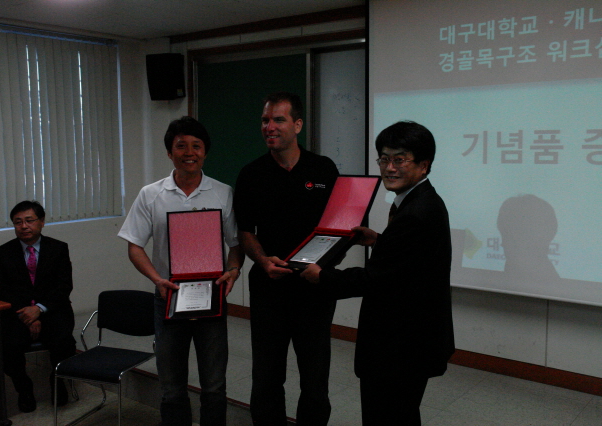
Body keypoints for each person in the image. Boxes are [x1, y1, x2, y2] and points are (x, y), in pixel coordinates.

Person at [301, 120, 455, 425]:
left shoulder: (416, 213)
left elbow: (377, 279)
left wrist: (322, 276)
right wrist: (379, 241)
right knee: (402, 414)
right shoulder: (422, 202)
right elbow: (408, 262)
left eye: (400, 159)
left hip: (399, 346)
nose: (389, 168)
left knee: (387, 416)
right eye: (384, 159)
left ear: (424, 165)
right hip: (411, 341)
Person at [118, 116, 243, 426]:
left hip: (212, 298)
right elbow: (134, 246)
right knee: (171, 388)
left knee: (214, 386)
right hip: (168, 297)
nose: (189, 153)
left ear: (205, 152)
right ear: (169, 152)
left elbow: (236, 244)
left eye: (196, 146)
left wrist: (233, 270)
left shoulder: (223, 192)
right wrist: (156, 279)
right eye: (181, 146)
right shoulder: (151, 194)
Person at [233, 92, 339, 425]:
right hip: (269, 289)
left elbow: (339, 226)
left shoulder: (323, 169)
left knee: (315, 378)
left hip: (314, 290)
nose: (270, 126)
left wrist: (324, 267)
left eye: (278, 119)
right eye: (265, 120)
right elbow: (245, 231)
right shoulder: (251, 174)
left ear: (298, 125)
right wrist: (263, 260)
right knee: (266, 377)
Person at [0, 200, 76, 413]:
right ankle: (24, 388)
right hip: (17, 313)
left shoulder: (58, 248)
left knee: (64, 342)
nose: (24, 226)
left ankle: (57, 381)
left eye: (29, 220)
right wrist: (26, 315)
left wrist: (39, 309)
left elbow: (64, 286)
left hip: (51, 310)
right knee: (6, 346)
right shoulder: (1, 253)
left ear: (42, 222)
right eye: (18, 222)